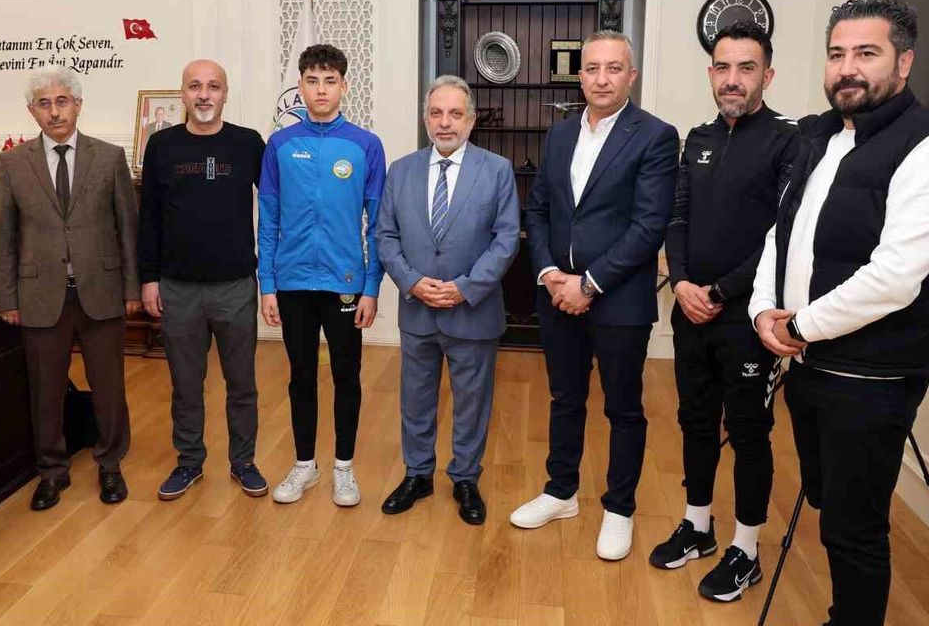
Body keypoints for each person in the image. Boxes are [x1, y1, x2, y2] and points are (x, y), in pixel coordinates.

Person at [749, 0, 929, 626]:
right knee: (825, 498)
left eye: (866, 53)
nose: (847, 68)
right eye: (837, 53)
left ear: (903, 63)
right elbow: (780, 233)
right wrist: (764, 309)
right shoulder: (817, 137)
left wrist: (798, 326)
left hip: (872, 377)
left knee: (855, 529)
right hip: (805, 362)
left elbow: (894, 278)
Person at [510, 30, 678, 562]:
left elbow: (648, 226)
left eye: (614, 68)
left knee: (623, 408)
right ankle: (561, 492)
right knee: (565, 399)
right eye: (592, 69)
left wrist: (588, 284)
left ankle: (619, 508)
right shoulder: (560, 134)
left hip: (619, 300)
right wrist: (548, 273)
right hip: (557, 295)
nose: (602, 79)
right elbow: (538, 208)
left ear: (632, 76)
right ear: (579, 75)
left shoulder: (655, 136)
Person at [649, 21, 798, 601]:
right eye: (723, 67)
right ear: (711, 73)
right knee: (694, 420)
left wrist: (718, 292)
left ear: (767, 75)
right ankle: (698, 526)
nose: (732, 79)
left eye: (746, 68)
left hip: (746, 319)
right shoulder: (699, 137)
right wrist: (683, 282)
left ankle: (747, 549)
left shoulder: (787, 141)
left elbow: (781, 236)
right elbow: (678, 216)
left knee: (749, 431)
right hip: (690, 310)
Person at [0, 66, 141, 511]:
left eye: (62, 102)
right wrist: (7, 298)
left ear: (77, 106)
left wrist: (132, 288)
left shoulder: (109, 158)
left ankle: (110, 464)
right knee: (45, 389)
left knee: (109, 387)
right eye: (44, 104)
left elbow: (128, 231)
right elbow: (3, 237)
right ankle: (52, 471)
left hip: (101, 292)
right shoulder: (13, 164)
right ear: (32, 111)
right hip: (39, 296)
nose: (54, 112)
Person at [375, 75, 519, 525]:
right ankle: (418, 474)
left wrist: (466, 287)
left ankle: (465, 478)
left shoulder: (496, 170)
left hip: (472, 310)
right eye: (436, 113)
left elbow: (506, 239)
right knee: (415, 399)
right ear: (425, 118)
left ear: (471, 121)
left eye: (455, 114)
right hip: (417, 309)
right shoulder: (400, 171)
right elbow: (385, 236)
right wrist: (412, 282)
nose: (445, 123)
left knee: (472, 401)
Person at [258, 44, 385, 507]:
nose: (321, 90)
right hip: (292, 283)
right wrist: (267, 284)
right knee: (301, 376)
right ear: (301, 86)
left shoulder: (366, 145)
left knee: (347, 375)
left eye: (330, 81)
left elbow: (378, 223)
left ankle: (344, 468)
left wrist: (370, 287)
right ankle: (305, 465)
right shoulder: (280, 145)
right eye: (312, 81)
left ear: (344, 86)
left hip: (345, 284)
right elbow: (268, 218)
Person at [137, 59, 268, 501]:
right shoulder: (162, 145)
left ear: (225, 93)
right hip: (178, 287)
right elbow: (149, 217)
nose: (204, 95)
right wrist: (149, 279)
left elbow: (275, 205)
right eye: (195, 86)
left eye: (213, 86)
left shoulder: (248, 143)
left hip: (235, 285)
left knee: (242, 384)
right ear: (183, 94)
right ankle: (189, 462)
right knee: (186, 385)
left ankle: (243, 462)